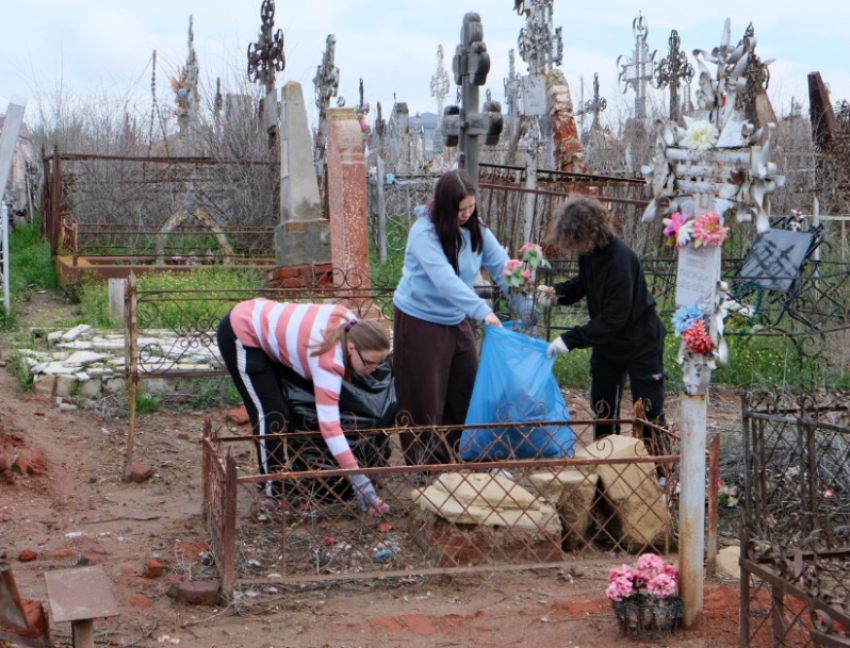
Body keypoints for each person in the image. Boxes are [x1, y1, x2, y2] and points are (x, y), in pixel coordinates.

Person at [393, 169, 522, 465]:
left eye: (471, 207)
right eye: (461, 209)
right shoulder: (423, 232)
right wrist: (483, 311)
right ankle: (429, 470)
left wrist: (526, 301)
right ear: (445, 206)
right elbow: (445, 280)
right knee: (425, 396)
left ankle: (474, 455)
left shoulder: (476, 229)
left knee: (468, 387)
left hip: (454, 318)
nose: (467, 214)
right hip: (419, 320)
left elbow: (502, 266)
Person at [217, 299, 391, 515]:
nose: (373, 370)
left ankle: (279, 479)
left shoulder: (349, 323)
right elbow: (329, 427)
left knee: (284, 410)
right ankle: (274, 493)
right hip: (243, 331)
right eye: (369, 363)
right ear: (351, 348)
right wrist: (360, 482)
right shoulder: (327, 362)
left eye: (379, 364)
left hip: (265, 324)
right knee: (270, 414)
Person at [540, 196, 666, 439]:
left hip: (641, 341)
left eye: (576, 240)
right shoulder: (589, 252)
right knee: (602, 405)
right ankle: (607, 464)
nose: (574, 247)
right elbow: (584, 283)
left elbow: (613, 318)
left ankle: (660, 471)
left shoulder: (621, 260)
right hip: (608, 344)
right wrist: (557, 293)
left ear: (590, 232)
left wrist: (571, 339)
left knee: (649, 410)